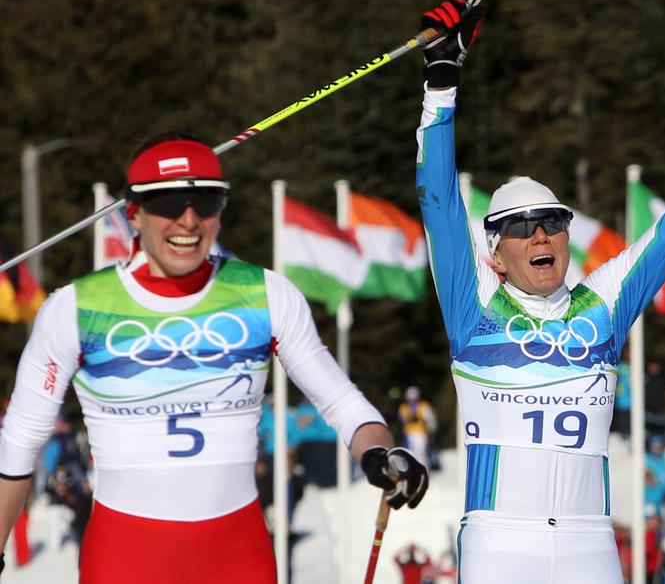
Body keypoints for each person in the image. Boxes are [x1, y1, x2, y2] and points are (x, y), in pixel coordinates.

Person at [414, 0, 665, 583]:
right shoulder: (473, 303)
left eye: (552, 222)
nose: (540, 234)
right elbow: (438, 196)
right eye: (520, 228)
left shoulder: (602, 302)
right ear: (494, 255)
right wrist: (441, 81)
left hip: (590, 545)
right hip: (500, 542)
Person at [0, 133, 428, 582]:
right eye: (168, 203)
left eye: (205, 202)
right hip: (127, 555)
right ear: (134, 214)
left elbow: (340, 402)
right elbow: (21, 439)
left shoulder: (265, 294)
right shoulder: (74, 308)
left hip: (236, 554)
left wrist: (380, 452)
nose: (188, 221)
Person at [398, 386, 438, 469]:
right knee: (411, 454)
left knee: (421, 454)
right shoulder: (403, 407)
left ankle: (424, 470)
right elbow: (402, 421)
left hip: (421, 433)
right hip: (409, 434)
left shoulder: (424, 406)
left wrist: (431, 431)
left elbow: (430, 420)